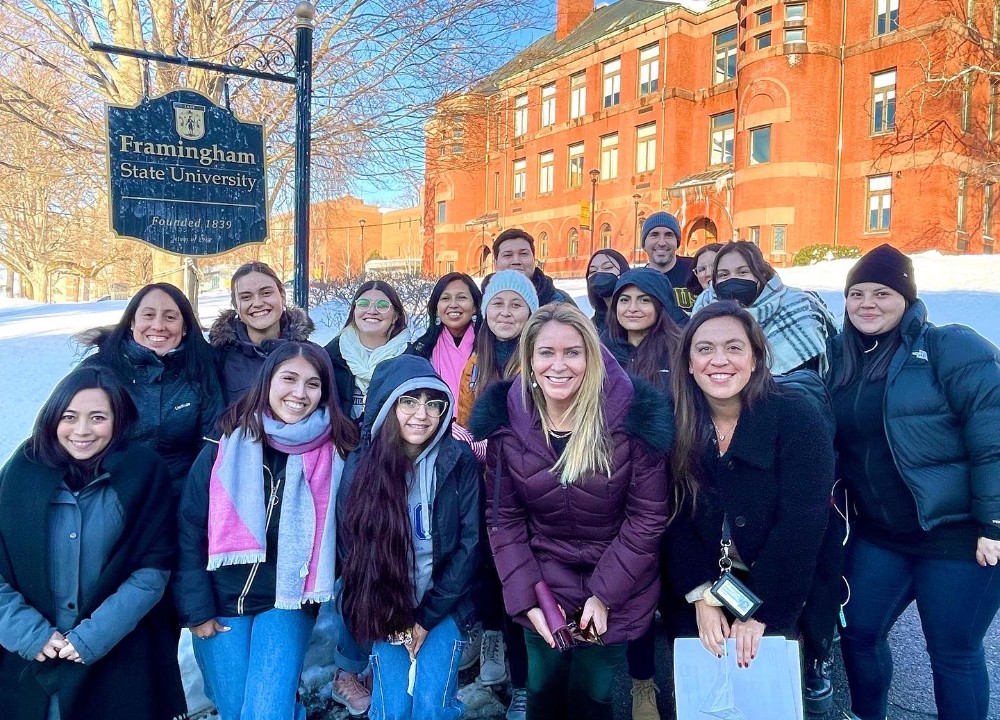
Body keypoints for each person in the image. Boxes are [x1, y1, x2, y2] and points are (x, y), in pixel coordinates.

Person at [469, 303, 672, 720]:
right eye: (546, 353)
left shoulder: (632, 420)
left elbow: (647, 517)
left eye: (572, 352)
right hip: (543, 579)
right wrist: (529, 597)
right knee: (543, 689)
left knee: (593, 693)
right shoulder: (508, 424)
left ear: (591, 357)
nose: (558, 365)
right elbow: (502, 520)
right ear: (528, 359)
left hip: (618, 582)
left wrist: (604, 595)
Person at [827, 244, 1000, 720]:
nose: (867, 304)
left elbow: (993, 434)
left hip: (958, 536)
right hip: (883, 535)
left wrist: (994, 521)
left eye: (882, 293)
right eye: (856, 293)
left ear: (907, 297)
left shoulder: (952, 347)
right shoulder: (841, 359)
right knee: (858, 632)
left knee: (953, 653)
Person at [176, 341, 359, 720]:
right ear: (267, 381)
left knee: (263, 713)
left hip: (288, 600)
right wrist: (197, 609)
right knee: (234, 710)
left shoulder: (339, 450)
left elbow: (351, 531)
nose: (299, 393)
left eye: (312, 384)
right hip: (223, 598)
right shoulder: (225, 441)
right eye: (288, 379)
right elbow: (190, 527)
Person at [0, 367, 187, 720]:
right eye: (69, 417)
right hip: (30, 659)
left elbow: (152, 570)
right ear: (53, 417)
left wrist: (91, 637)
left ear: (118, 421)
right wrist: (32, 635)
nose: (82, 431)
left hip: (116, 655)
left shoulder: (143, 472)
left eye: (97, 417)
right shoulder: (20, 474)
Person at [665, 301, 834, 685]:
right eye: (704, 349)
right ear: (689, 363)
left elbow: (801, 525)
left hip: (778, 577)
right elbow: (671, 514)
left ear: (755, 359)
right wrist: (701, 594)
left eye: (734, 347)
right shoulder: (677, 419)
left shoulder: (796, 417)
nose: (718, 359)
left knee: (760, 682)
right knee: (705, 690)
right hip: (706, 575)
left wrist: (762, 612)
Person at [338, 354, 480, 720]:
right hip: (386, 606)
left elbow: (469, 545)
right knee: (392, 708)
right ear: (387, 405)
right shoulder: (361, 467)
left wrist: (427, 617)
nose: (422, 414)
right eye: (409, 401)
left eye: (433, 404)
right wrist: (394, 616)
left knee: (431, 705)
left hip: (442, 604)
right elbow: (352, 549)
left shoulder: (457, 460)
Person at [78, 282, 225, 497]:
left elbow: (210, 445)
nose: (158, 325)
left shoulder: (201, 371)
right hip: (109, 494)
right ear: (131, 321)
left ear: (185, 327)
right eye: (148, 315)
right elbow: (64, 432)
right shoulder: (100, 369)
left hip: (179, 496)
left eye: (170, 317)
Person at [692, 241, 837, 375]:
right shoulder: (704, 308)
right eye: (724, 274)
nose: (732, 279)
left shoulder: (798, 307)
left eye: (742, 272)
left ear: (761, 273)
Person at [210, 261, 314, 404]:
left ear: (282, 296)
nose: (258, 303)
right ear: (235, 305)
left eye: (266, 293)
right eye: (246, 297)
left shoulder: (312, 355)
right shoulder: (218, 359)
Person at [457, 270, 539, 426]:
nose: (505, 313)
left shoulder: (538, 363)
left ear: (530, 313)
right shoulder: (474, 366)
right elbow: (464, 427)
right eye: (498, 303)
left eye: (516, 305)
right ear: (486, 311)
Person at [325, 281, 411, 422]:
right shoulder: (328, 357)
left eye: (382, 305)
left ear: (395, 316)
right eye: (363, 303)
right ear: (354, 311)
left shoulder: (411, 362)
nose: (372, 311)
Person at [602, 267, 686, 393]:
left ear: (661, 305)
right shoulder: (602, 350)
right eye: (624, 300)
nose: (632, 308)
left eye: (644, 300)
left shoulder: (679, 351)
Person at [410, 272, 483, 417]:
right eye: (445, 298)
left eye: (462, 298)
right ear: (436, 308)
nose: (453, 305)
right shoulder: (421, 349)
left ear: (475, 306)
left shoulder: (488, 346)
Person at [489, 228, 576, 307]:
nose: (516, 261)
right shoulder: (479, 303)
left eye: (523, 254)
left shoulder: (560, 303)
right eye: (508, 255)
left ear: (534, 259)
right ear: (495, 263)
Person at [639, 212, 696, 312]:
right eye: (654, 235)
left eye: (668, 235)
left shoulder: (696, 269)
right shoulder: (638, 280)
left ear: (677, 242)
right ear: (644, 244)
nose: (661, 243)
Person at [585, 248, 630, 335]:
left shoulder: (634, 316)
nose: (599, 274)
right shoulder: (593, 326)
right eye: (593, 271)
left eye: (607, 267)